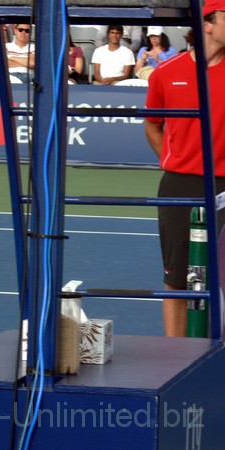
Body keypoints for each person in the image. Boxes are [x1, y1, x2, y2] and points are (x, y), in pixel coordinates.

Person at [144, 0, 225, 337]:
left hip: (224, 186)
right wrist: (175, 159)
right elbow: (152, 124)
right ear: (207, 23)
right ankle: (174, 358)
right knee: (177, 278)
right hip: (180, 186)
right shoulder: (167, 72)